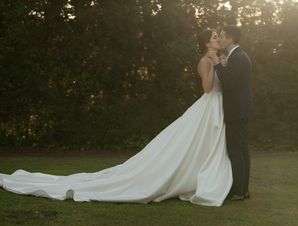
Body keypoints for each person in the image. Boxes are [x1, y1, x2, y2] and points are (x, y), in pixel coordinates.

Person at [0, 29, 233, 206]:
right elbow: (207, 88)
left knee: (206, 147)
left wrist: (221, 64)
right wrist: (214, 65)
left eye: (217, 36)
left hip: (217, 107)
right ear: (205, 43)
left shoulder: (219, 59)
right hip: (208, 106)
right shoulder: (205, 61)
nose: (217, 39)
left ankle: (201, 177)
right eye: (213, 37)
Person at [214, 26, 253, 201]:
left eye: (222, 36)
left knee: (236, 151)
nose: (220, 39)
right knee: (242, 151)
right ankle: (243, 190)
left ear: (230, 39)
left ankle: (238, 191)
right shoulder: (239, 56)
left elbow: (229, 83)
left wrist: (217, 65)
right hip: (241, 110)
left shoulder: (237, 57)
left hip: (236, 111)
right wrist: (223, 64)